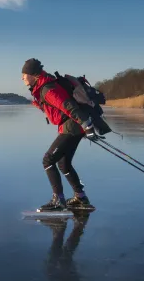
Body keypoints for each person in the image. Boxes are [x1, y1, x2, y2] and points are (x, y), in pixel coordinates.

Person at [21, 58, 96, 212]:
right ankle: (80, 196)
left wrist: (86, 126)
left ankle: (58, 199)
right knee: (63, 163)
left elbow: (68, 105)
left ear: (33, 75)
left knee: (48, 160)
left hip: (72, 126)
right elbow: (55, 109)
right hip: (71, 126)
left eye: (24, 74)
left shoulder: (48, 89)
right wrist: (39, 104)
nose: (22, 78)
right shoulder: (43, 87)